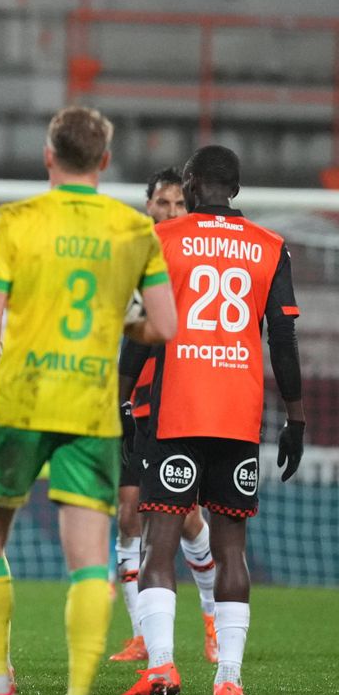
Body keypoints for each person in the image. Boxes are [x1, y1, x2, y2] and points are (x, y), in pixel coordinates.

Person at [0, 107, 178, 695]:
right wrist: (119, 321)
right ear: (104, 161)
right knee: (89, 563)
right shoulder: (134, 229)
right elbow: (166, 328)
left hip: (19, 401)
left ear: (49, 156)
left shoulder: (15, 222)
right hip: (90, 411)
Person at [116, 145, 304, 695]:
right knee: (231, 549)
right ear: (238, 190)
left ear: (192, 184)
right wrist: (296, 417)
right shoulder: (272, 248)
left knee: (159, 544)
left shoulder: (164, 239)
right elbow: (284, 340)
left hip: (178, 411)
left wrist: (122, 400)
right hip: (239, 415)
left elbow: (139, 329)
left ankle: (161, 669)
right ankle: (229, 680)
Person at [111, 167, 218, 665]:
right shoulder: (134, 253)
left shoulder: (195, 256)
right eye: (162, 203)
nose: (170, 212)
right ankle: (139, 633)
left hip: (183, 397)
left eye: (179, 204)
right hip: (139, 401)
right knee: (130, 511)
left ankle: (212, 617)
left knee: (185, 515)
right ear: (148, 205)